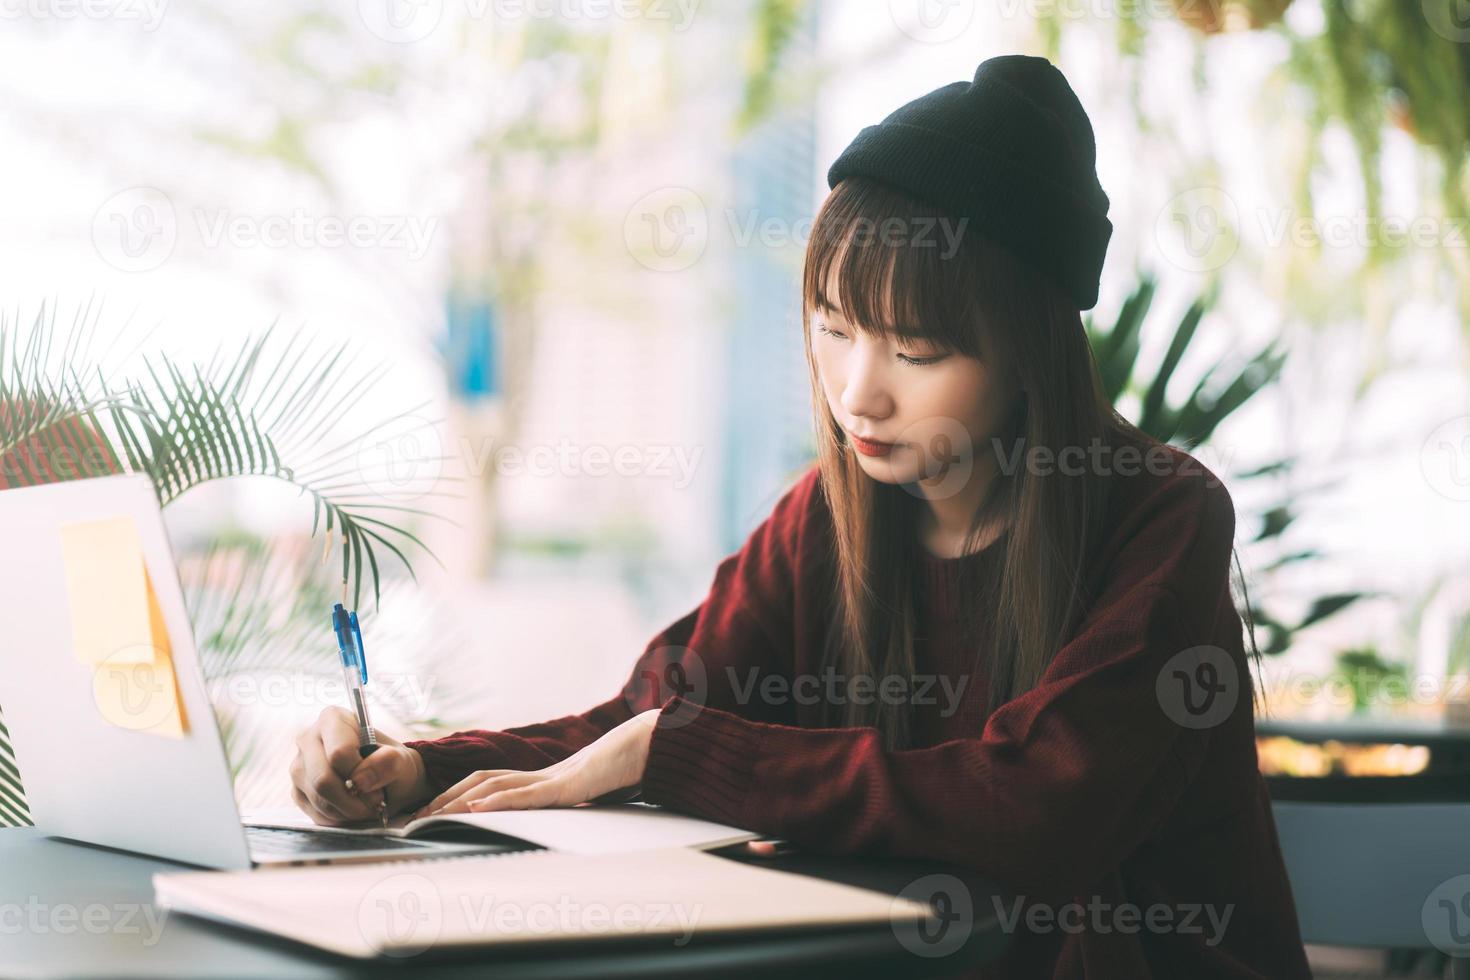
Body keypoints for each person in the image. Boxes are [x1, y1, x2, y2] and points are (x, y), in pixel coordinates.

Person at [291, 54, 1311, 978]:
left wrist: (673, 748)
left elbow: (1039, 802)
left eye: (915, 351)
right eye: (832, 327)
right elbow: (642, 719)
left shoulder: (1162, 520)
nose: (856, 392)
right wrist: (422, 765)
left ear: (1029, 354)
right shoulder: (830, 516)